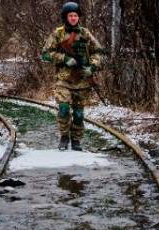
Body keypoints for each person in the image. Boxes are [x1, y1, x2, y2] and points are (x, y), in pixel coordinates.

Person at [40, 2, 104, 152]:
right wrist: (64, 58)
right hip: (63, 79)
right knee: (63, 108)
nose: (74, 18)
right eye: (71, 15)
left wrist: (92, 67)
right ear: (65, 17)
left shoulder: (85, 33)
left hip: (82, 79)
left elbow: (98, 51)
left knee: (79, 114)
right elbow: (45, 54)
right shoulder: (58, 34)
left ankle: (76, 140)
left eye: (75, 15)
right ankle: (64, 137)